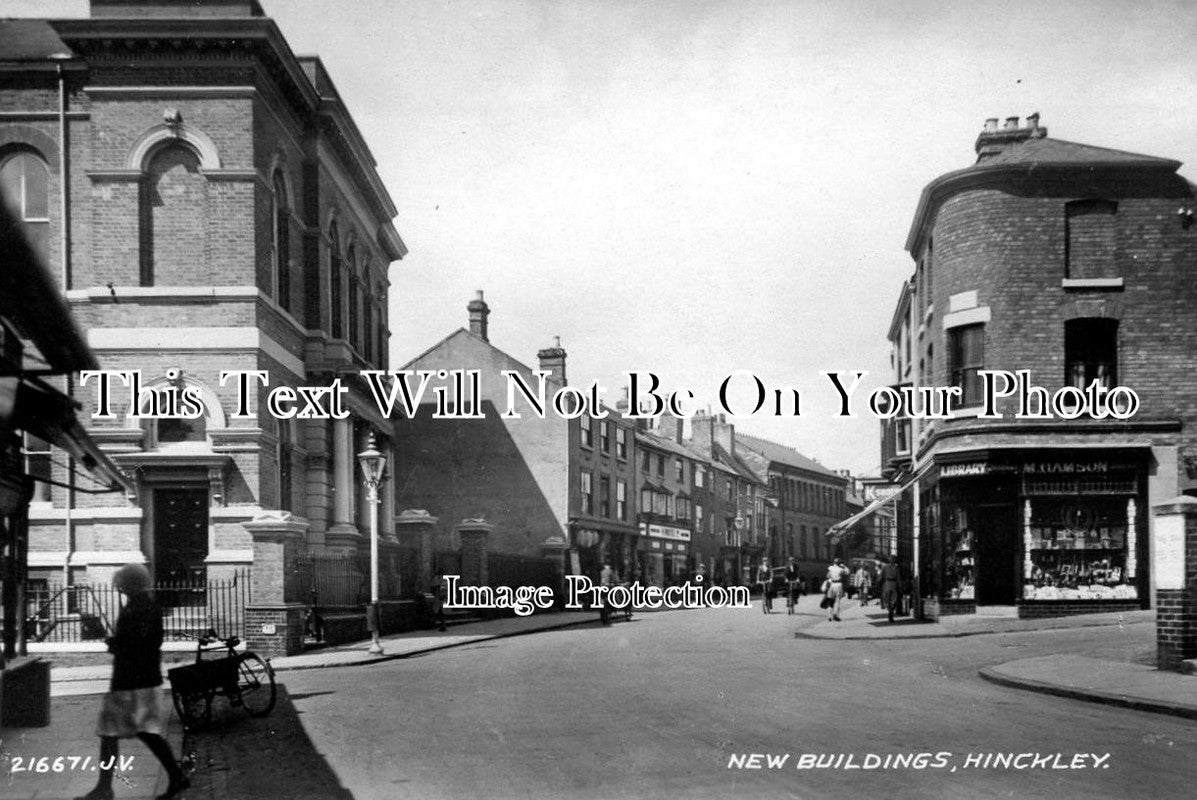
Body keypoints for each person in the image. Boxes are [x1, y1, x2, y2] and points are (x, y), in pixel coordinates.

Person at [77, 563, 189, 800]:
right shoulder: (143, 605)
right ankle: (175, 775)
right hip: (142, 679)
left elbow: (139, 643)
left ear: (130, 583)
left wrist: (114, 643)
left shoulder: (140, 608)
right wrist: (116, 641)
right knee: (144, 733)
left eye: (122, 583)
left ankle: (104, 788)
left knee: (111, 735)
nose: (119, 587)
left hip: (132, 681)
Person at [878, 555, 902, 623]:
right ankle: (890, 611)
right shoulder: (892, 568)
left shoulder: (886, 567)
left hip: (888, 583)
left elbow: (880, 577)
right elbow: (898, 578)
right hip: (890, 583)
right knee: (891, 599)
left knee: (890, 598)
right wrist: (900, 587)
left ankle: (890, 611)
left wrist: (878, 584)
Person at [824, 557, 850, 622]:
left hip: (832, 584)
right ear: (839, 563)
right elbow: (848, 572)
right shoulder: (841, 569)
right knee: (838, 601)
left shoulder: (830, 568)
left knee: (831, 601)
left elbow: (827, 576)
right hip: (838, 585)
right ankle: (836, 615)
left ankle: (829, 616)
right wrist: (844, 566)